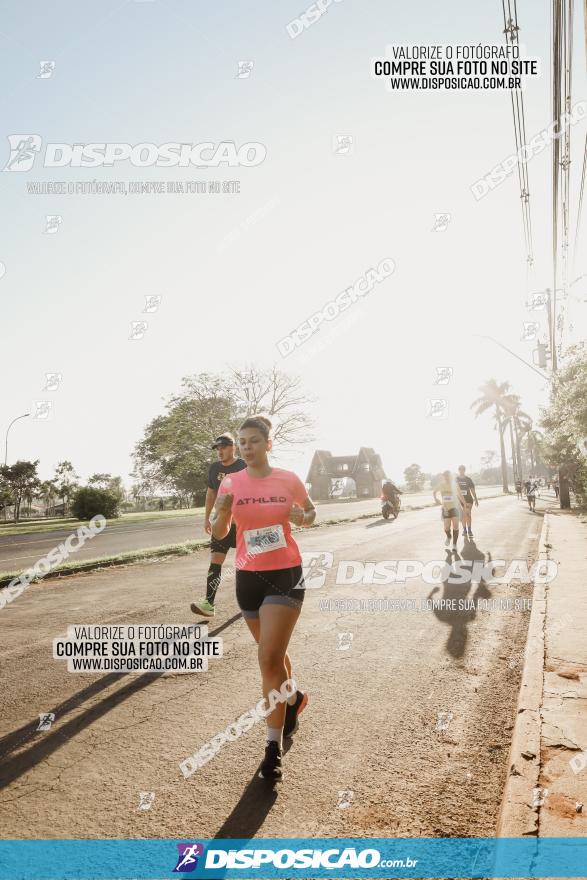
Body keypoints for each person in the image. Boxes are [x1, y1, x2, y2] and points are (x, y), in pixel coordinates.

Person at [211, 415, 316, 781]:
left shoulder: (287, 479)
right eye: (241, 441)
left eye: (253, 440)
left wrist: (301, 516)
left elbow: (310, 513)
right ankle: (293, 698)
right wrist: (221, 514)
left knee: (268, 658)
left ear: (267, 444)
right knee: (275, 658)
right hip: (248, 578)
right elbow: (219, 530)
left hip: (285, 574)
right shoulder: (231, 482)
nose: (245, 446)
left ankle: (272, 749)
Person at [191, 433, 246, 618]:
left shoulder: (244, 465)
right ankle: (208, 603)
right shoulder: (214, 468)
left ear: (233, 448)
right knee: (215, 561)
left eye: (223, 447)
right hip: (221, 522)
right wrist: (207, 518)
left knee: (246, 564)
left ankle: (253, 600)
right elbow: (210, 493)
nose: (219, 451)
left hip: (243, 524)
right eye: (217, 448)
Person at [433, 471, 466, 550]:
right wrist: (436, 499)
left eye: (448, 476)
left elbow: (460, 495)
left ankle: (454, 545)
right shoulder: (441, 484)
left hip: (455, 508)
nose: (447, 477)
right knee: (446, 527)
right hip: (445, 509)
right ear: (444, 476)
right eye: (445, 476)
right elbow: (434, 492)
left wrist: (464, 504)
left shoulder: (454, 485)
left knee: (455, 526)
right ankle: (449, 536)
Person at [455, 465, 479, 538]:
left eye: (462, 469)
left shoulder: (468, 479)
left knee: (467, 514)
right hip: (459, 500)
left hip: (468, 499)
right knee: (463, 515)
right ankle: (464, 530)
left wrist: (476, 499)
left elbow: (472, 490)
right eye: (460, 469)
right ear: (458, 470)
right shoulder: (456, 479)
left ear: (464, 470)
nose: (461, 471)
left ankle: (469, 530)